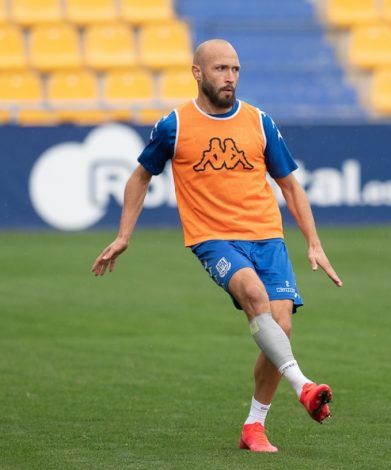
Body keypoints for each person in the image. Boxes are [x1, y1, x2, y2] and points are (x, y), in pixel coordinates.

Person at [91, 39, 343, 453]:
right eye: (221, 69)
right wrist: (123, 235)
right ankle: (304, 387)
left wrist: (313, 243)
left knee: (280, 328)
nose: (230, 78)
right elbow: (140, 176)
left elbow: (289, 185)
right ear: (198, 73)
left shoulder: (259, 121)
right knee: (252, 293)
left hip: (267, 236)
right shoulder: (175, 125)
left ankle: (254, 427)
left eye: (236, 70)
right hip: (213, 238)